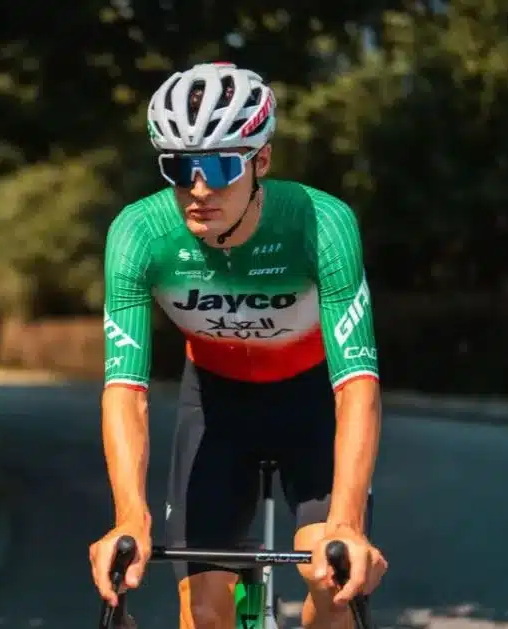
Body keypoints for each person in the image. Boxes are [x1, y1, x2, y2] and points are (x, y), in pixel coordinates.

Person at [88, 61, 388, 629]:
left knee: (332, 584)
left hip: (311, 406)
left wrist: (347, 524)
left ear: (262, 161)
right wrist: (129, 517)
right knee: (204, 611)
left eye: (223, 167)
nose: (199, 189)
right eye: (180, 169)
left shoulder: (321, 223)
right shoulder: (139, 234)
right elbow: (125, 389)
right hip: (216, 408)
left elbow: (357, 384)